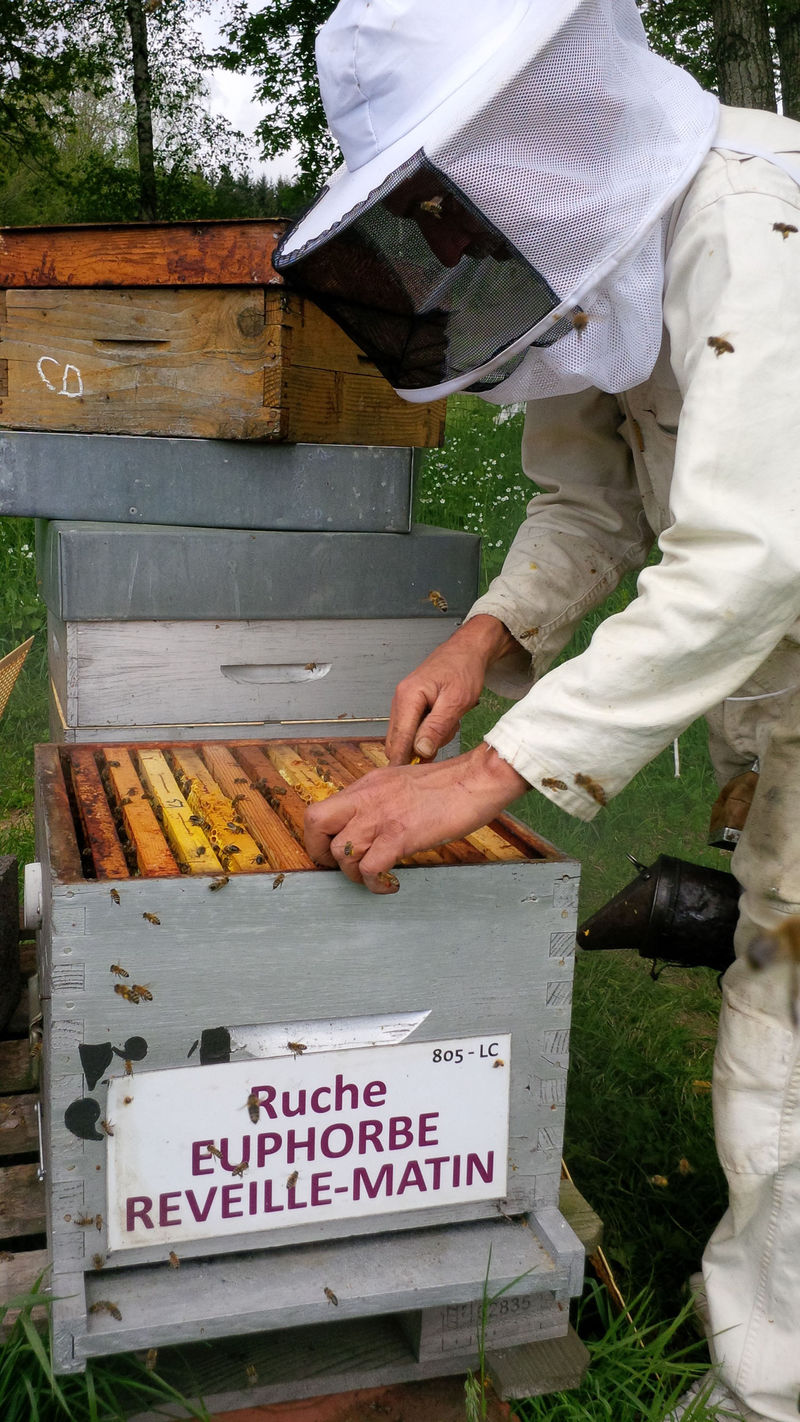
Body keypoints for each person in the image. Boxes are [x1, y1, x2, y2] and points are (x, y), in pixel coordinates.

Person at [273, 2, 800, 1417]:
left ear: (536, 136)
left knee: (792, 1051)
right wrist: (495, 629)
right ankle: (766, 1310)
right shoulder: (596, 258)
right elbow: (591, 493)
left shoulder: (757, 233)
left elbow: (757, 551)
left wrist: (495, 766)